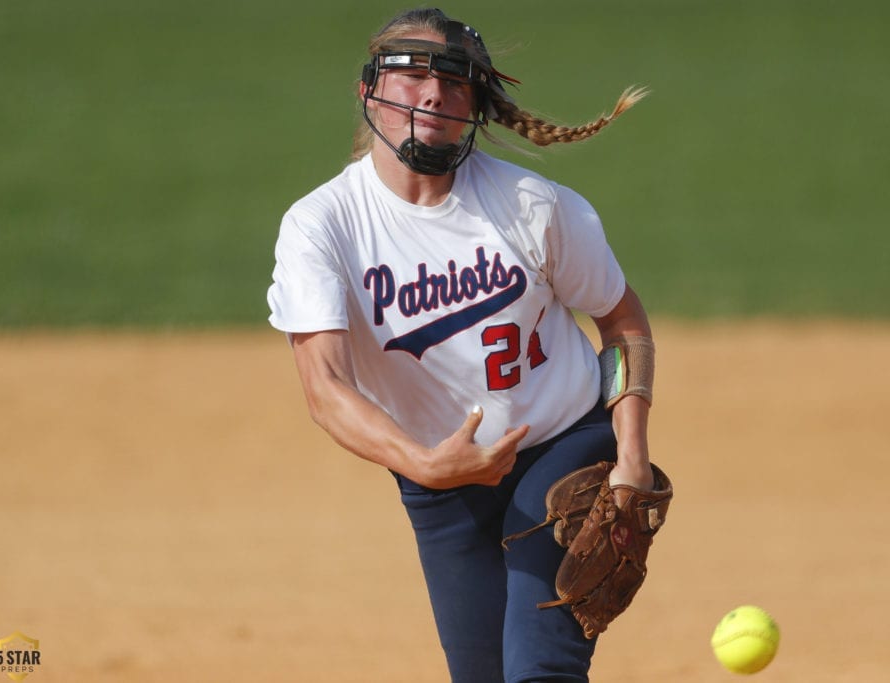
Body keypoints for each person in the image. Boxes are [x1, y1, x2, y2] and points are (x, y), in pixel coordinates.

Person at [267, 8, 659, 682]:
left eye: (455, 82)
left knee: (540, 667)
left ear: (474, 105)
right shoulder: (322, 227)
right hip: (440, 490)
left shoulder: (533, 205)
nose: (433, 93)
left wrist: (631, 454)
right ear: (370, 92)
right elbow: (324, 389)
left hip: (564, 453)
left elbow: (622, 323)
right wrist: (425, 463)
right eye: (412, 74)